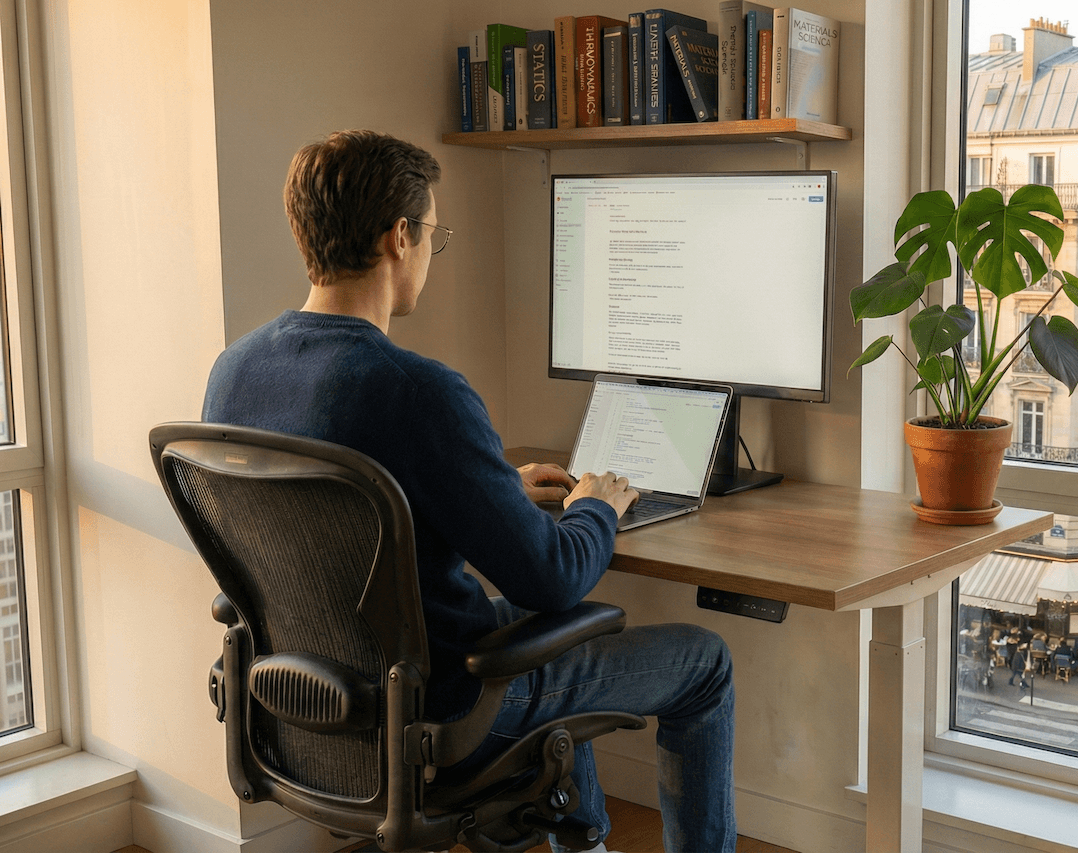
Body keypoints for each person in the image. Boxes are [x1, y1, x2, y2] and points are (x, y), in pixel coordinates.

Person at [201, 130, 735, 853]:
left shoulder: (233, 372)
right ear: (399, 237)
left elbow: (326, 514)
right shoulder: (419, 391)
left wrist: (487, 488)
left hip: (318, 704)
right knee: (702, 662)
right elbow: (553, 576)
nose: (429, 252)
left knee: (535, 622)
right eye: (431, 234)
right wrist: (594, 508)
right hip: (449, 709)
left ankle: (581, 844)